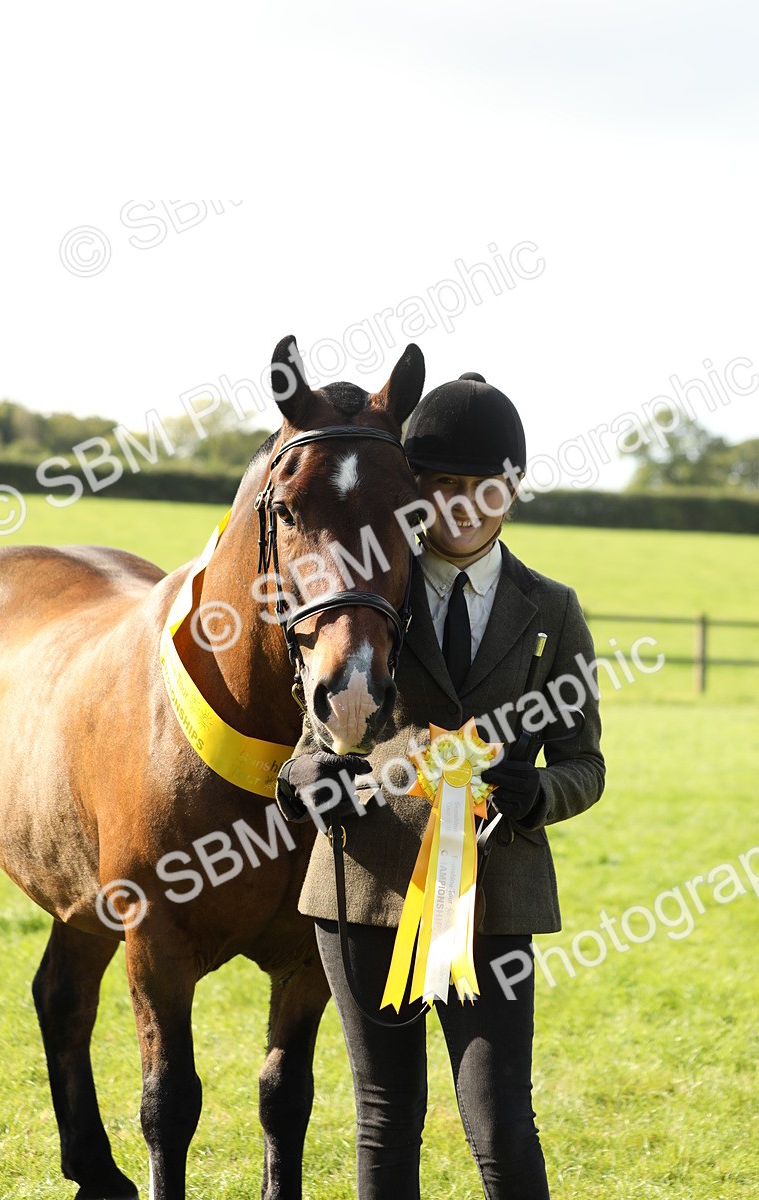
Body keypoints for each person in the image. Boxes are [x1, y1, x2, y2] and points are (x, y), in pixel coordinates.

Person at [276, 372, 606, 1200]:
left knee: (501, 1123)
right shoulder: (370, 591)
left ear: (512, 491)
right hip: (368, 887)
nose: (462, 506)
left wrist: (540, 794)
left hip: (498, 894)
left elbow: (585, 763)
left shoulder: (552, 610)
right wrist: (305, 776)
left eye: (482, 488)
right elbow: (310, 738)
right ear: (413, 492)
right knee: (386, 1118)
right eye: (441, 487)